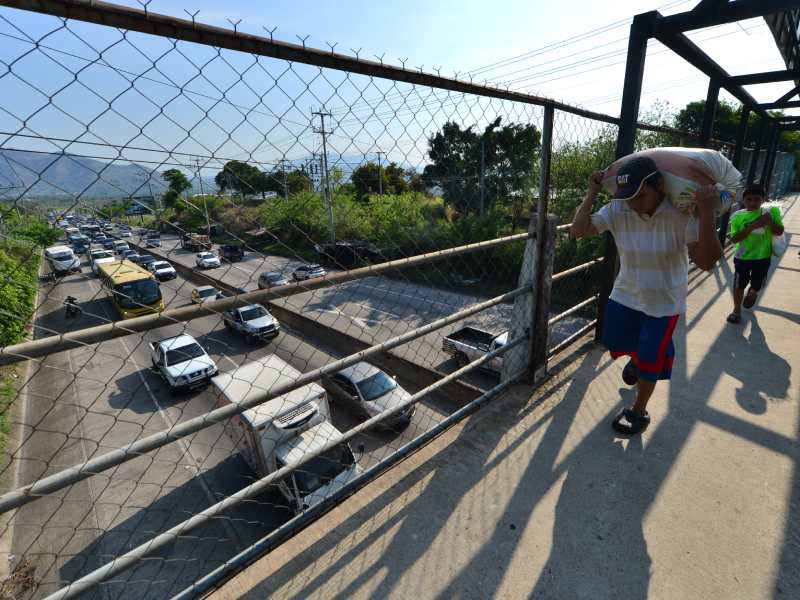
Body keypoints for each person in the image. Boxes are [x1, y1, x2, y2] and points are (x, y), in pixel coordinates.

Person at [571, 156, 723, 435]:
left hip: (664, 304)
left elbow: (706, 262)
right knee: (618, 342)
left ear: (660, 186)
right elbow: (578, 231)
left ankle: (639, 410)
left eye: (641, 196)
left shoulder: (682, 213)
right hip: (625, 295)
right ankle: (639, 359)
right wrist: (592, 192)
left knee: (651, 357)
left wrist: (707, 214)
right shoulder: (618, 208)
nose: (633, 203)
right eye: (628, 197)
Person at [726, 184, 783, 324]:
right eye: (748, 199)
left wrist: (769, 222)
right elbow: (734, 239)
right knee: (739, 285)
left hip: (763, 257)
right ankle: (736, 311)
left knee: (757, 284)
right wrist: (752, 227)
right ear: (743, 200)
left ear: (763, 200)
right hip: (742, 258)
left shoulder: (771, 212)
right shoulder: (737, 216)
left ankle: (753, 292)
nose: (752, 203)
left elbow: (779, 231)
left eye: (757, 199)